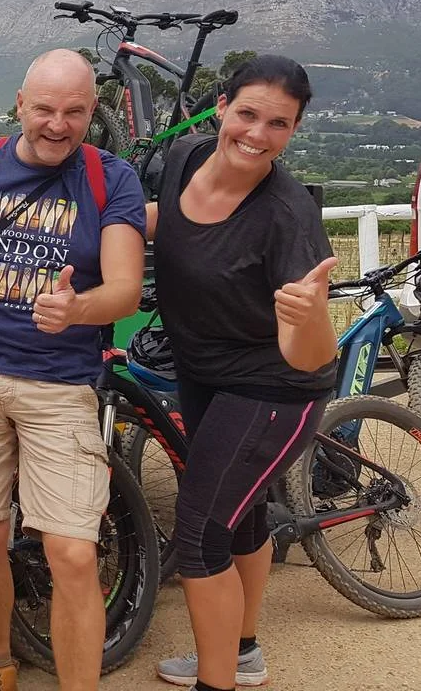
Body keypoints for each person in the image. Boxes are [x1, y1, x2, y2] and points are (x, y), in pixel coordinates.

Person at [0, 49, 147, 691]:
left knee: (73, 552)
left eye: (74, 112)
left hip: (60, 385)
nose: (58, 124)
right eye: (45, 109)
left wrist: (78, 308)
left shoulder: (111, 179)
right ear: (20, 104)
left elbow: (126, 290)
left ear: (92, 111)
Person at [147, 56, 337, 691]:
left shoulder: (286, 215)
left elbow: (311, 356)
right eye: (248, 114)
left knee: (200, 537)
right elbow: (167, 219)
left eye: (278, 124)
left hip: (274, 388)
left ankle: (217, 680)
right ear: (222, 106)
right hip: (203, 374)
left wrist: (309, 315)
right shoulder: (186, 157)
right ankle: (243, 652)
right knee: (243, 518)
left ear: (294, 130)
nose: (257, 134)